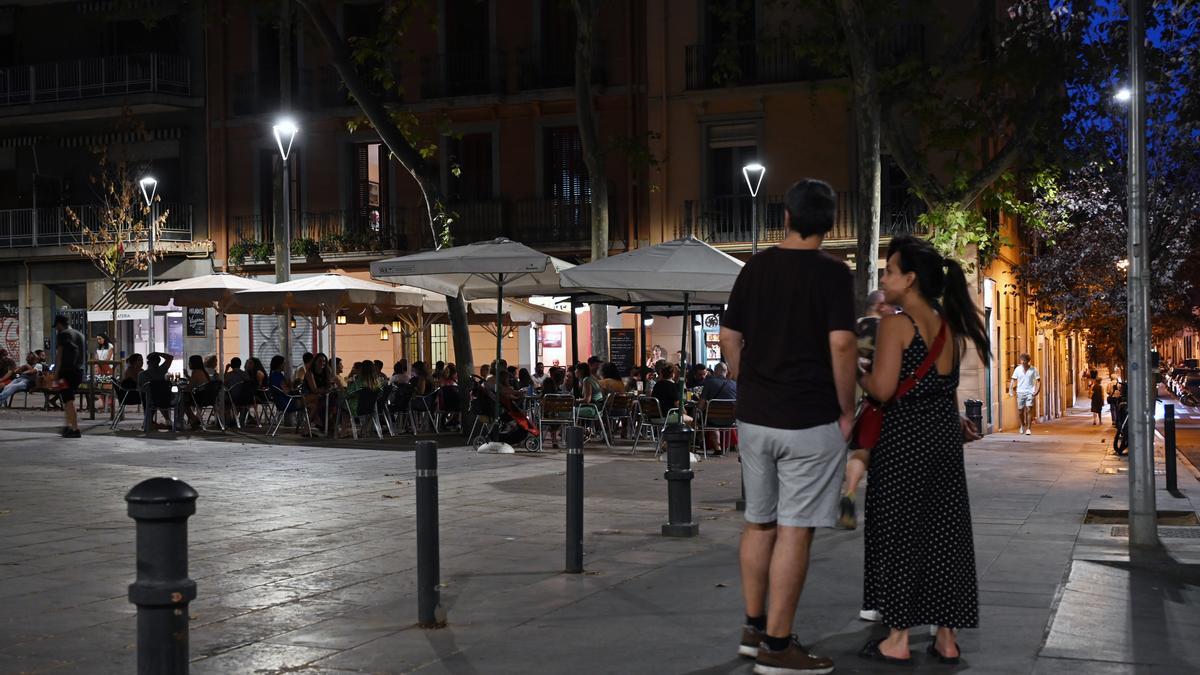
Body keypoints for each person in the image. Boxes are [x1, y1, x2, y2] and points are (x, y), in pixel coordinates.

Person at [718, 179, 855, 672]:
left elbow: (729, 336)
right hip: (809, 417)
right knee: (795, 530)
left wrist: (743, 375)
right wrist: (846, 409)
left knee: (759, 522)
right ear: (830, 224)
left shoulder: (756, 268)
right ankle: (778, 649)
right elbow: (842, 345)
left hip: (756, 416)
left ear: (787, 219)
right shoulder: (834, 274)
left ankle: (754, 629)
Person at [856, 234, 988, 664]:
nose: (885, 277)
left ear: (909, 279)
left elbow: (882, 388)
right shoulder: (950, 327)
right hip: (942, 442)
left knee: (898, 532)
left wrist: (859, 369)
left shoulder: (897, 326)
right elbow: (942, 388)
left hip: (903, 440)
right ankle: (946, 637)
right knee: (943, 533)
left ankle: (896, 638)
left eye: (891, 270)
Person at [839, 289, 897, 530]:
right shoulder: (888, 330)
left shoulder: (852, 328)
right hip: (877, 398)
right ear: (881, 306)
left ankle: (849, 493)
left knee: (860, 451)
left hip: (848, 397)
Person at [53, 315, 88, 438]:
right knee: (68, 399)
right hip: (78, 371)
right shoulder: (80, 335)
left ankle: (75, 429)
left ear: (59, 324)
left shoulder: (63, 334)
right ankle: (67, 426)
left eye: (56, 326)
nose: (57, 329)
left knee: (68, 401)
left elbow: (59, 355)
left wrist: (56, 373)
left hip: (66, 372)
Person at [698, 361, 738, 452]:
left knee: (708, 419)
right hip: (731, 420)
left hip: (713, 419)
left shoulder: (709, 383)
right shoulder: (734, 385)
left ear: (715, 372)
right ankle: (726, 446)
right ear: (726, 372)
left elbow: (700, 405)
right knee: (713, 418)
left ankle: (717, 447)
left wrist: (697, 412)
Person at [138, 351, 175, 429]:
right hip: (166, 400)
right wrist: (157, 353)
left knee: (148, 396)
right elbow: (170, 357)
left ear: (148, 362)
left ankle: (148, 421)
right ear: (158, 361)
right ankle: (168, 420)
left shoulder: (142, 374)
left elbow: (140, 389)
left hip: (150, 400)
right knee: (160, 397)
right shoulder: (163, 370)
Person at [1008, 353, 1040, 435]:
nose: (1023, 362)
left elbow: (1038, 381)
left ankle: (1028, 429)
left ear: (1028, 361)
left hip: (1030, 392)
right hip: (1020, 392)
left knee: (1029, 409)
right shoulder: (1018, 369)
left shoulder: (1033, 370)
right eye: (1022, 360)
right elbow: (1013, 379)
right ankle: (1022, 425)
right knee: (1020, 411)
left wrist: (1037, 391)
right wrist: (1010, 389)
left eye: (1025, 361)